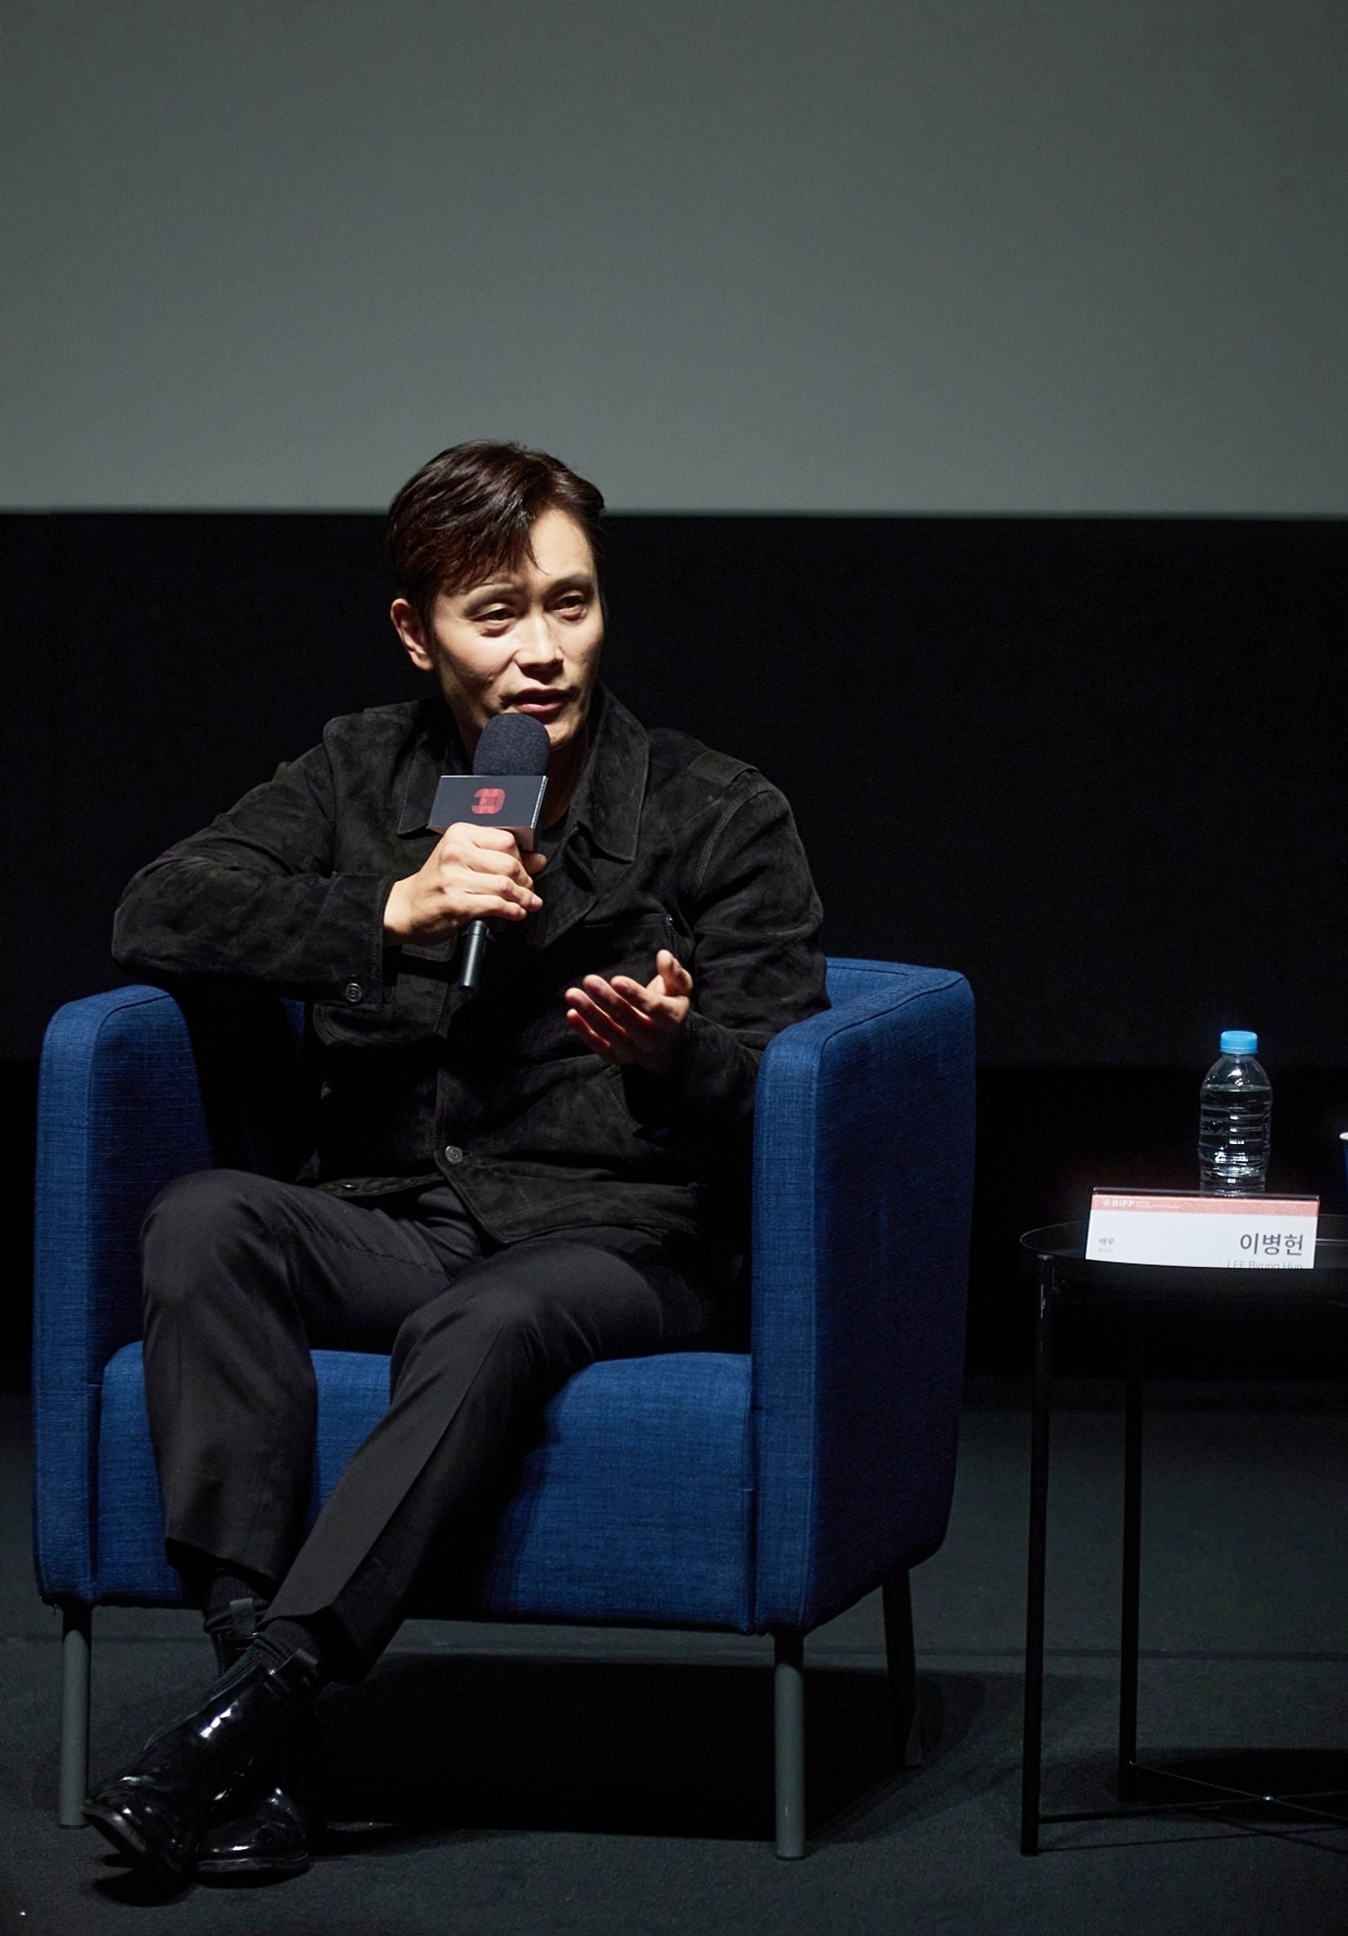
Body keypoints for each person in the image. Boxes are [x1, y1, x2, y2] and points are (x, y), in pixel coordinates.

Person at [86, 441, 828, 1886]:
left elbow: (788, 1077)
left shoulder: (718, 812)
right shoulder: (365, 770)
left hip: (618, 1244)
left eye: (572, 604)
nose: (545, 652)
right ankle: (267, 1736)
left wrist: (680, 1055)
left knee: (486, 1321)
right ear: (418, 632)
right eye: (500, 615)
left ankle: (258, 1709)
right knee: (203, 1221)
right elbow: (156, 908)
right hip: (398, 1218)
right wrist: (388, 906)